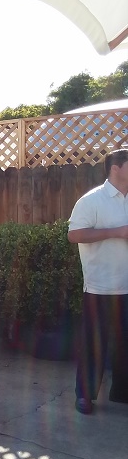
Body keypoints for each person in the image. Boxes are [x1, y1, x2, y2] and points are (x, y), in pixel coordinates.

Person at [68, 148, 128, 415]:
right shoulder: (92, 200)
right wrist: (117, 232)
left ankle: (122, 393)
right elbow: (74, 235)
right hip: (100, 287)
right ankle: (85, 395)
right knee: (95, 343)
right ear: (116, 168)